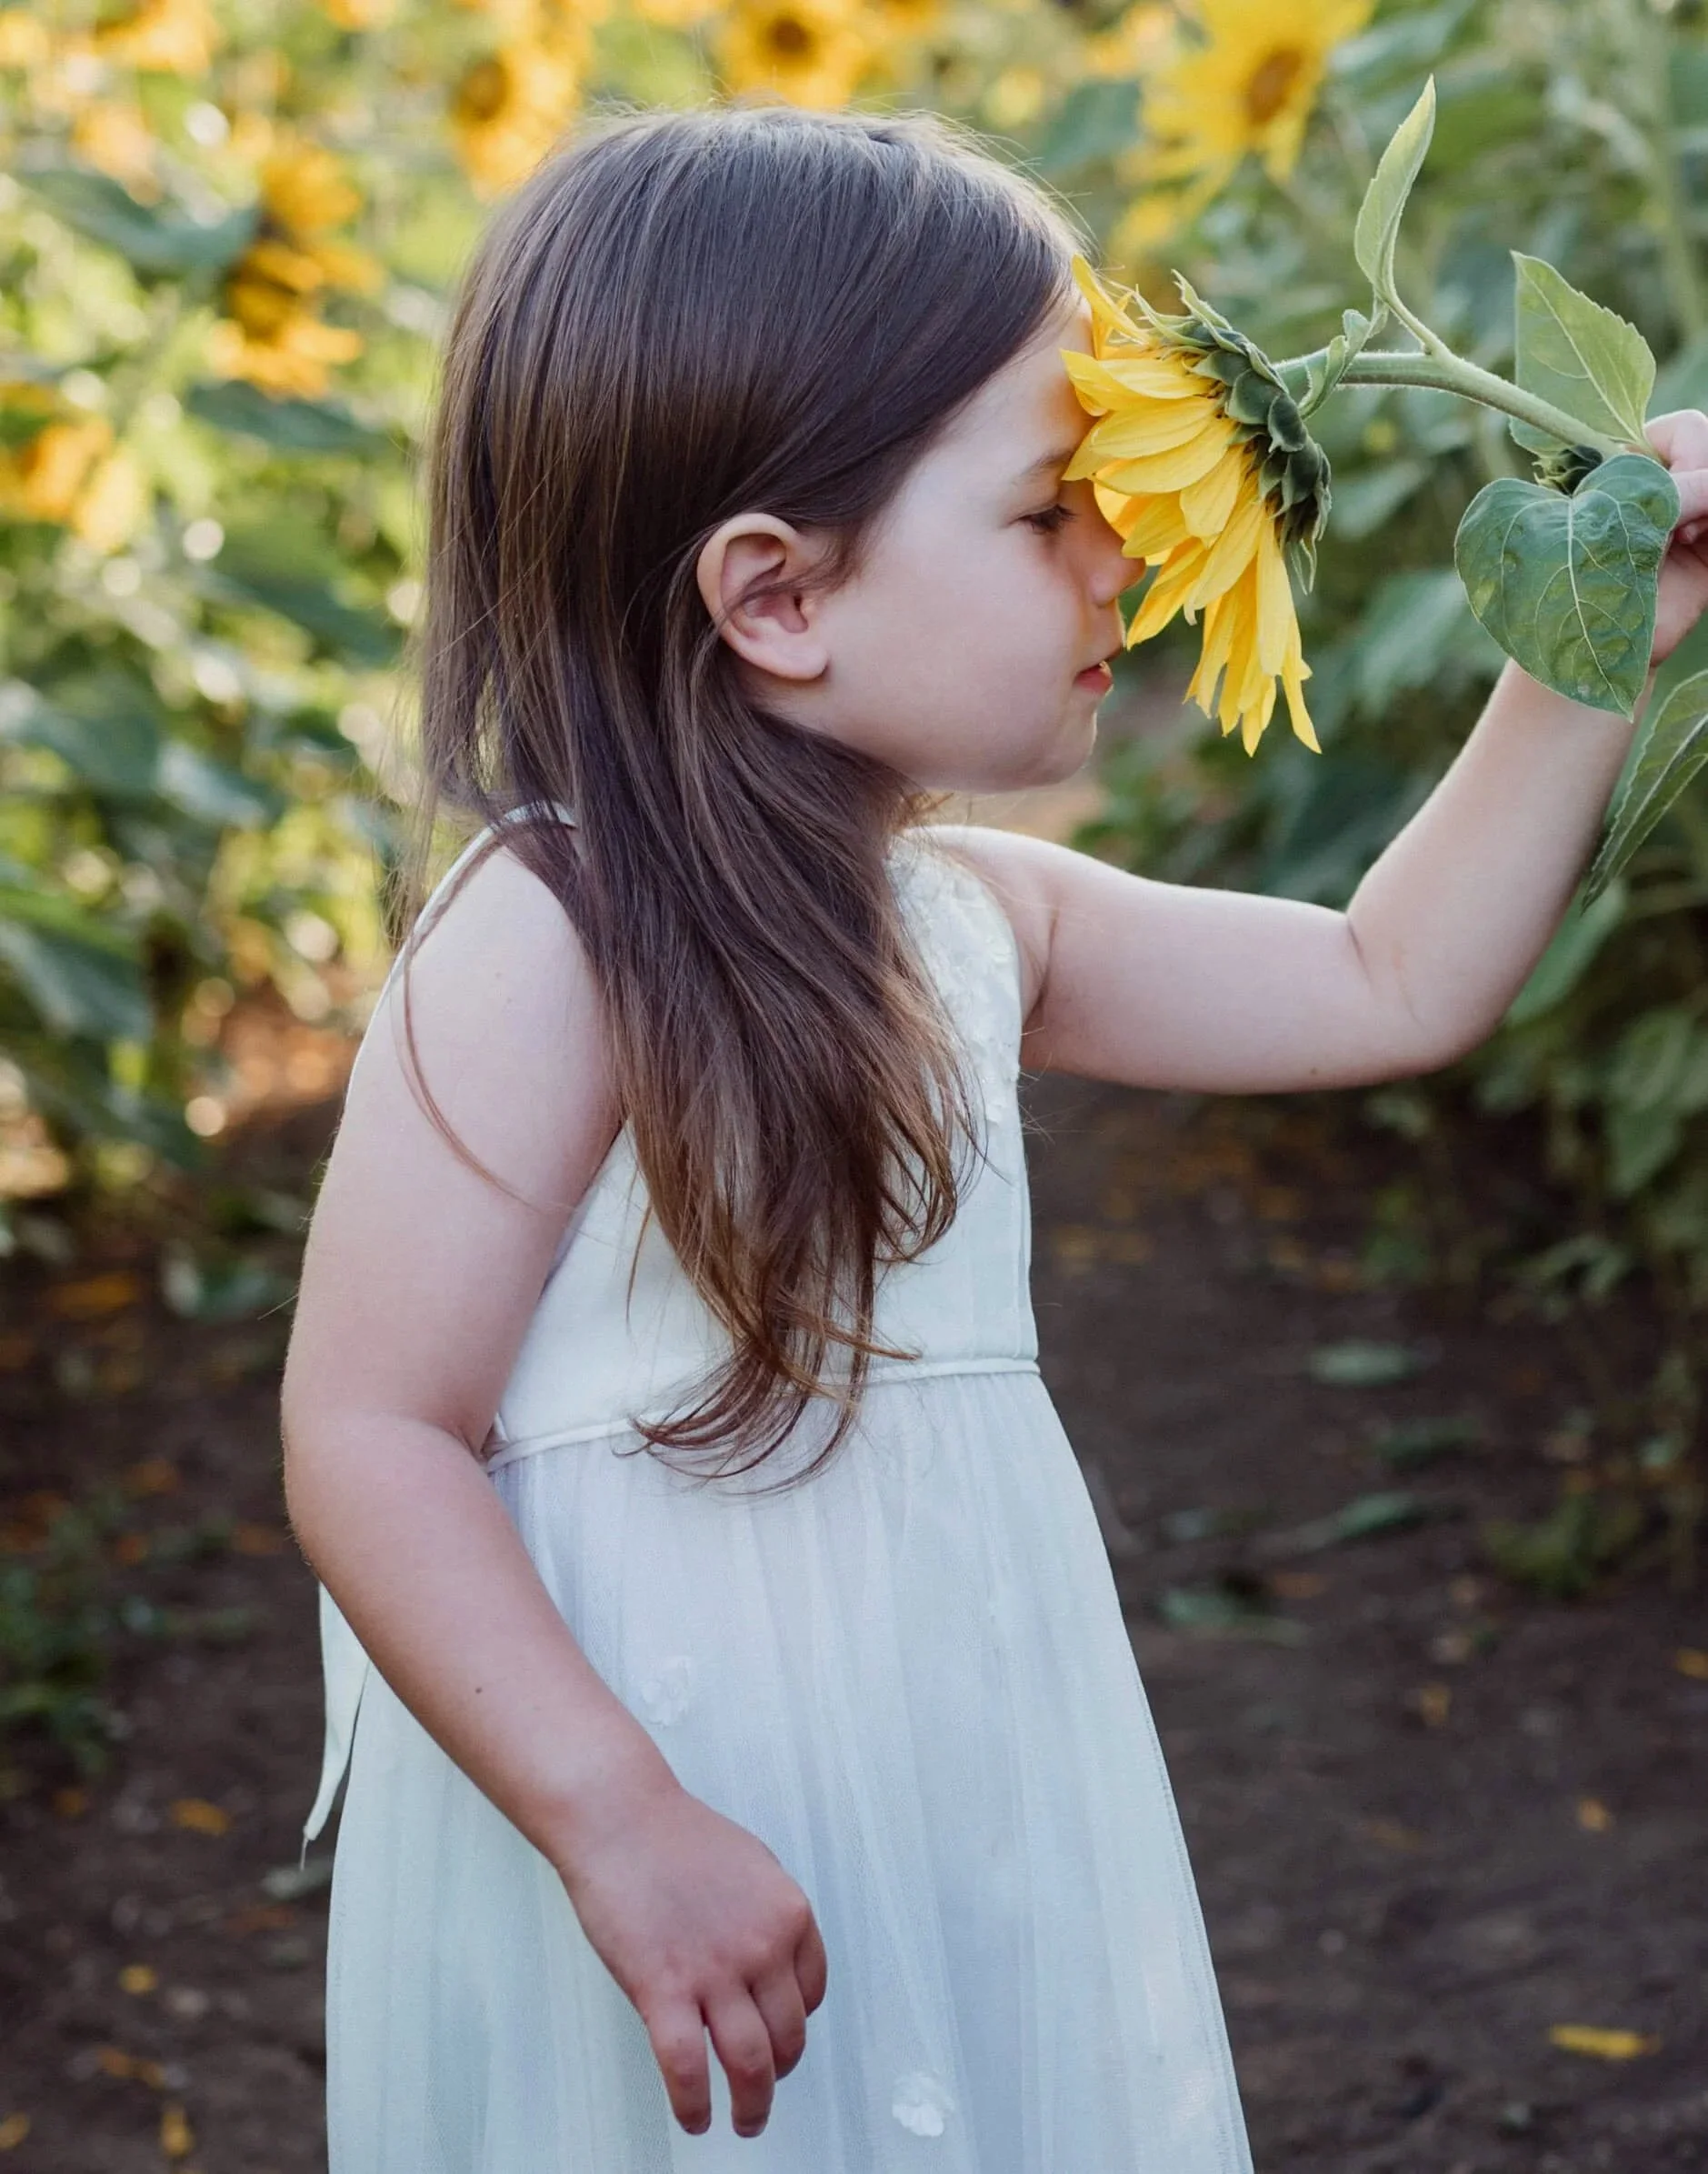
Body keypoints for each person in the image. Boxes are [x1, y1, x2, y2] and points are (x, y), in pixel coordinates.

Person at [279, 102, 1708, 2172]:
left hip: (961, 1762)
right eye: (1055, 507)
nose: (1124, 550)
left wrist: (1607, 627)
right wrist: (616, 1813)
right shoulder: (554, 933)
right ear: (777, 595)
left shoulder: (973, 919)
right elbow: (367, 1430)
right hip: (652, 1808)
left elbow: (1390, 978)